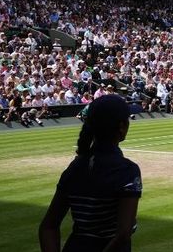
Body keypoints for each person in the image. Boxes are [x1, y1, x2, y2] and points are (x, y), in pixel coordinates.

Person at [39, 94, 142, 252]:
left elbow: (48, 227)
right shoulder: (127, 170)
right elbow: (123, 234)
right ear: (121, 126)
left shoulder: (75, 167)